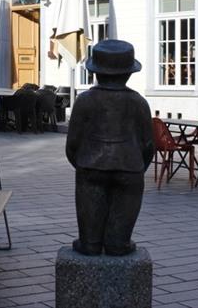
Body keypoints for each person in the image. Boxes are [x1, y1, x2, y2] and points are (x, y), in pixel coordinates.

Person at [65, 39, 154, 256]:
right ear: (129, 73)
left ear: (95, 72)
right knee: (119, 241)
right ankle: (118, 243)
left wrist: (84, 165)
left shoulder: (84, 100)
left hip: (91, 166)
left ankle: (90, 243)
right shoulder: (139, 102)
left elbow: (72, 144)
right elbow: (148, 145)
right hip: (129, 168)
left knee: (89, 241)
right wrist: (136, 168)